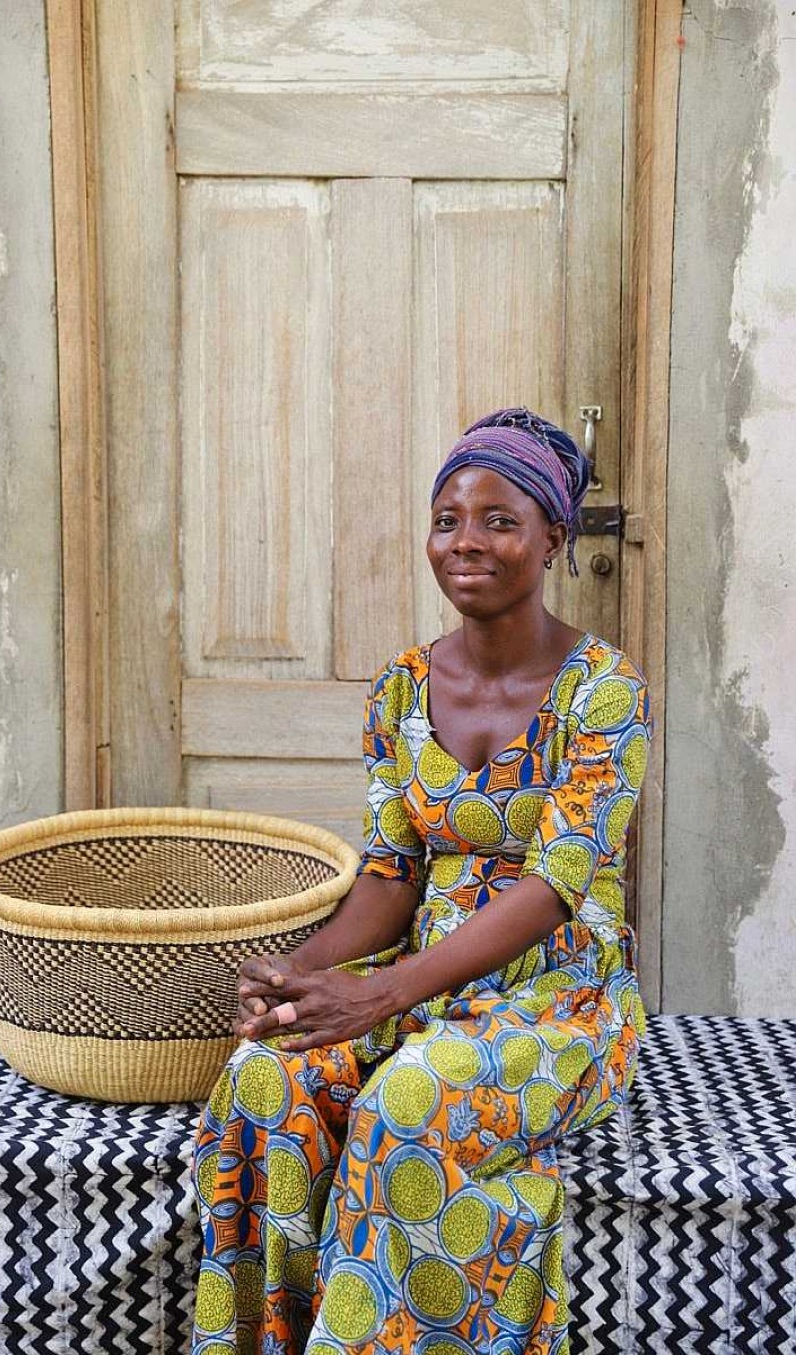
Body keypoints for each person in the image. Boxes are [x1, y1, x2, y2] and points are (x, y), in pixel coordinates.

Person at [191, 407, 651, 1355]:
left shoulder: (603, 690)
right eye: (447, 519)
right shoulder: (402, 687)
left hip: (558, 994)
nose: (466, 541)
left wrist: (384, 992)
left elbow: (555, 884)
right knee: (265, 1078)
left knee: (408, 1103)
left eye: (499, 518)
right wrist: (300, 974)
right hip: (420, 971)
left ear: (554, 539)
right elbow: (392, 873)